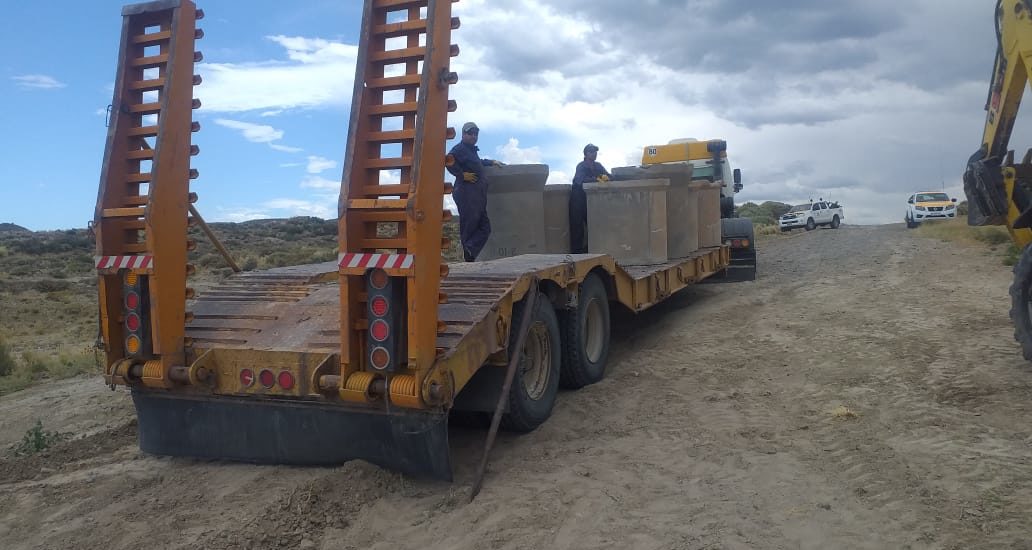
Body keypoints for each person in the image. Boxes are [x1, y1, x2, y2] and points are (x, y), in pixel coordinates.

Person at [447, 122, 503, 262]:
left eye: (475, 134)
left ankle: (470, 250)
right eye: (470, 133)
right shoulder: (459, 149)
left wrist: (491, 162)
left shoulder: (471, 151)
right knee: (469, 226)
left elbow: (477, 163)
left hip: (477, 195)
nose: (473, 136)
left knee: (485, 227)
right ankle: (468, 257)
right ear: (463, 134)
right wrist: (461, 174)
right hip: (467, 194)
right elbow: (448, 160)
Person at [569, 143, 611, 253]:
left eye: (595, 152)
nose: (594, 154)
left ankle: (591, 249)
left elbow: (608, 176)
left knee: (594, 225)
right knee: (577, 227)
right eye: (592, 152)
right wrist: (598, 179)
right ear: (586, 154)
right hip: (578, 200)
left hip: (591, 201)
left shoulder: (598, 165)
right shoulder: (581, 166)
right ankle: (577, 253)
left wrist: (603, 178)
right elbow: (580, 180)